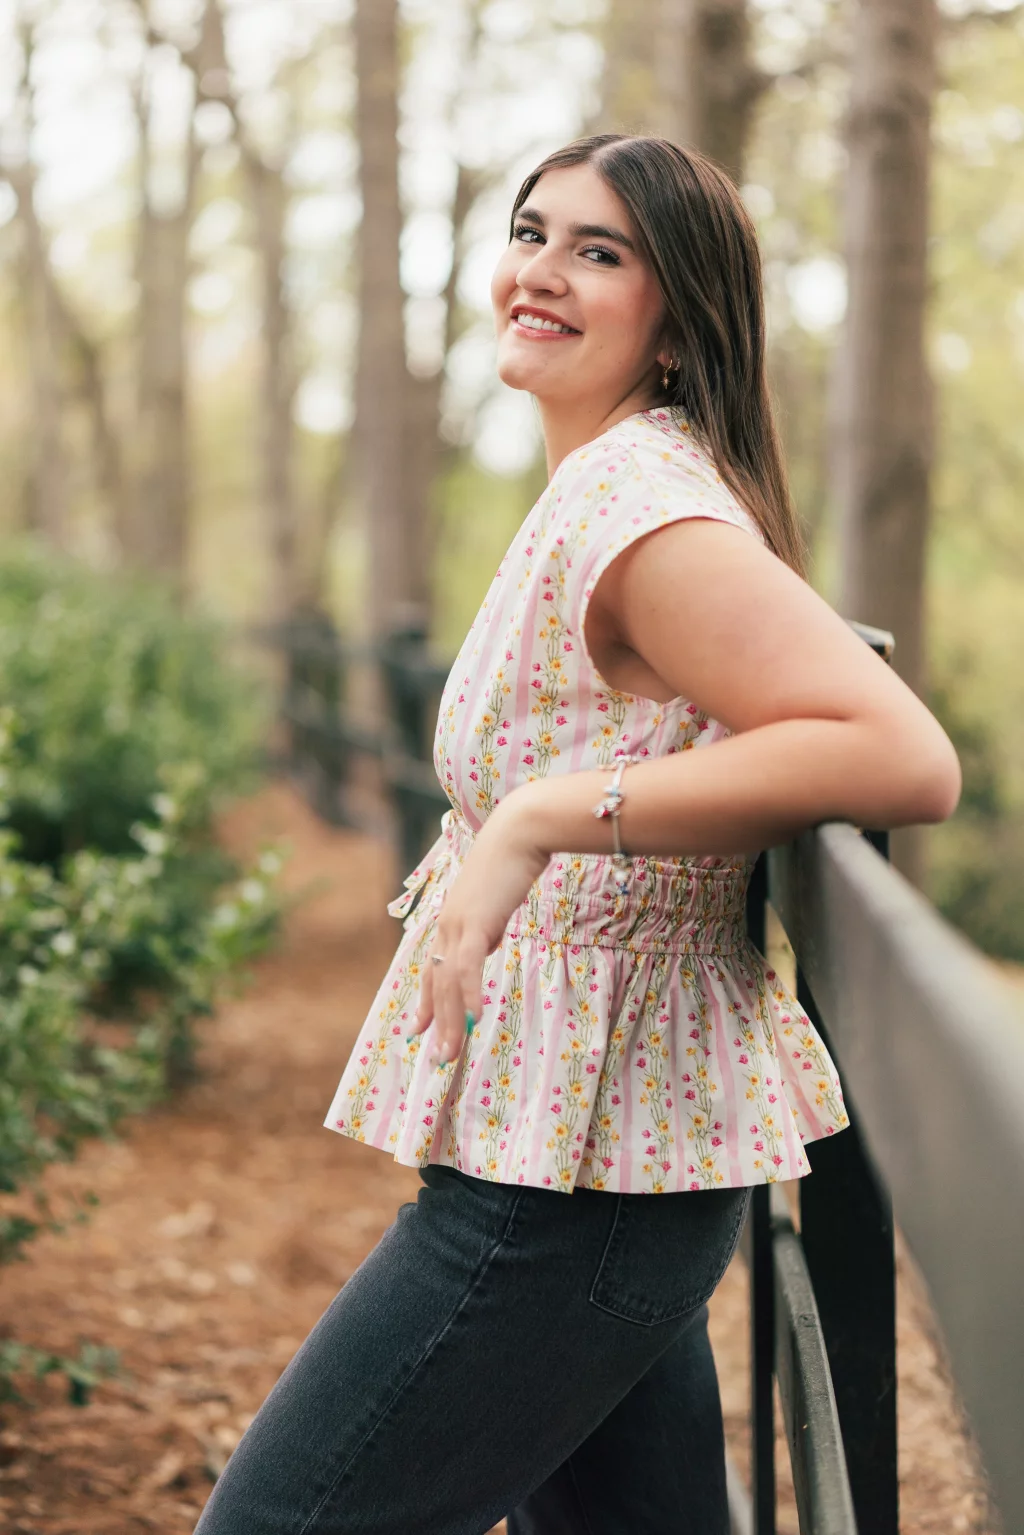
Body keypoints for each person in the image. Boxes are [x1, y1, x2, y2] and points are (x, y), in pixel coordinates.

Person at [195, 135, 960, 1535]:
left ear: (678, 323)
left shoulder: (645, 509)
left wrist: (548, 816)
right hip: (579, 1145)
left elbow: (900, 752)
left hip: (572, 1194)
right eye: (531, 230)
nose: (540, 271)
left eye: (599, 251)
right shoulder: (601, 483)